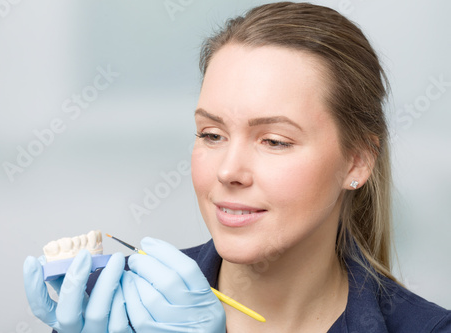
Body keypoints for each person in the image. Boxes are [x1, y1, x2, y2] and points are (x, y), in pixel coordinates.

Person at [23, 2, 451, 332]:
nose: (229, 171)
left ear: (356, 160)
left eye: (274, 141)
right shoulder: (125, 309)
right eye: (211, 134)